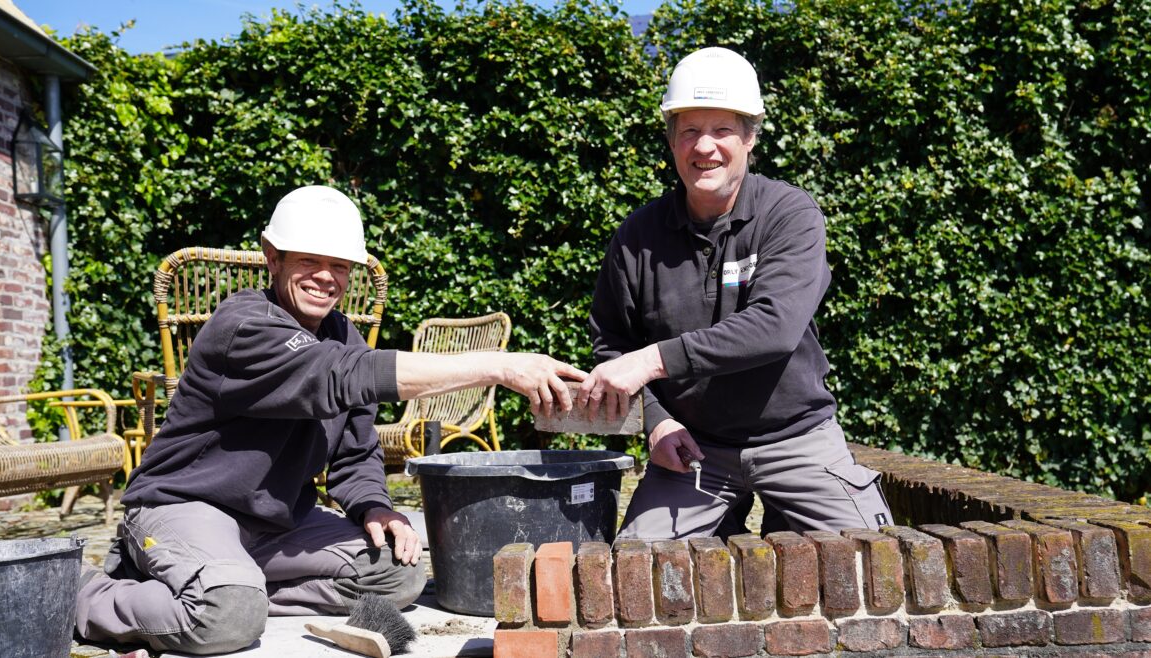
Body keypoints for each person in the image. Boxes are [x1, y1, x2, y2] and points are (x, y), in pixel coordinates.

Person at [75, 185, 586, 654]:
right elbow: (340, 376)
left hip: (275, 525)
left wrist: (373, 508)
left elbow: (355, 451)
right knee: (227, 617)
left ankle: (225, 583)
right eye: (309, 260)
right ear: (271, 258)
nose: (327, 277)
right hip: (185, 506)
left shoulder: (345, 336)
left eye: (340, 265)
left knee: (396, 575)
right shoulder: (243, 326)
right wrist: (498, 365)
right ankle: (89, 595)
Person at [578, 47, 893, 540]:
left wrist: (652, 360)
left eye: (722, 130)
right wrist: (656, 423)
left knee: (870, 562)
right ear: (672, 142)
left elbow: (775, 328)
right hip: (693, 448)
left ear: (750, 138)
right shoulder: (636, 237)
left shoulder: (789, 215)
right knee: (640, 572)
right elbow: (612, 343)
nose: (705, 147)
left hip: (797, 440)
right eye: (689, 131)